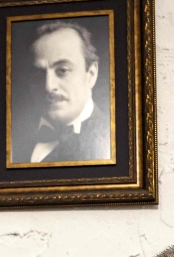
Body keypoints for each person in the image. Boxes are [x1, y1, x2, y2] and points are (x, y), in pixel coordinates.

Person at [17, 20, 111, 164]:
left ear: (91, 74)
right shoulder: (17, 144)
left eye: (62, 71)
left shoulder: (115, 140)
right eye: (39, 74)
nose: (49, 86)